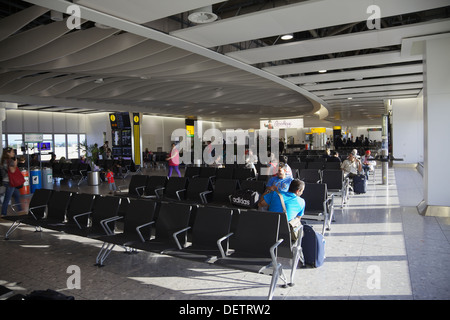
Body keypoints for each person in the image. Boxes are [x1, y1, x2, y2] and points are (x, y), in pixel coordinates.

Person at [1, 147, 23, 216]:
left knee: (17, 195)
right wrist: (15, 164)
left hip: (6, 181)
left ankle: (20, 210)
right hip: (10, 182)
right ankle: (3, 213)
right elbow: (12, 170)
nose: (13, 153)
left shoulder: (3, 160)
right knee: (7, 198)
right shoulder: (10, 161)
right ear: (8, 153)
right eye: (12, 152)